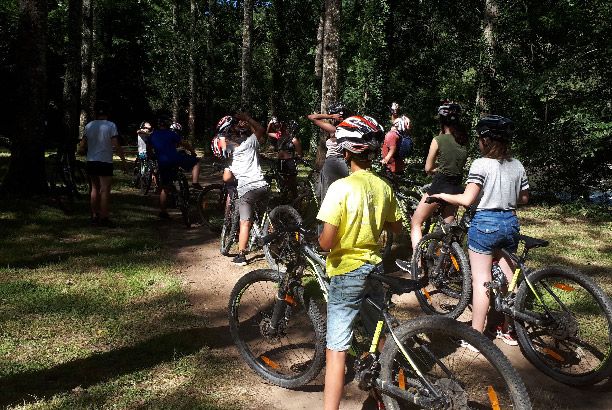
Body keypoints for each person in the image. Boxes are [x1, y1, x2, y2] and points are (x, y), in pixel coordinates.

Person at [316, 115, 403, 410]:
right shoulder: (382, 186)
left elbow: (326, 243)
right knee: (377, 328)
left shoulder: (340, 188)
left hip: (347, 272)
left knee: (337, 349)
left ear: (346, 152)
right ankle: (388, 387)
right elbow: (397, 227)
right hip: (374, 269)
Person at [429, 115, 529, 348]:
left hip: (485, 223)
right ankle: (508, 331)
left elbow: (466, 199)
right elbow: (523, 198)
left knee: (481, 280)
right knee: (506, 279)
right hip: (510, 222)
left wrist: (442, 195)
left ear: (486, 139)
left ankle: (476, 337)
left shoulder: (480, 164)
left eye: (479, 139)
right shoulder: (517, 165)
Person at [396, 103, 469, 271]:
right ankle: (443, 268)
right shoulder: (464, 140)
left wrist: (437, 167)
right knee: (446, 232)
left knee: (416, 222)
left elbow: (428, 168)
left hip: (439, 187)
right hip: (456, 190)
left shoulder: (438, 140)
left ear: (441, 121)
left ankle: (417, 264)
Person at [223, 111, 268, 266]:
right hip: (262, 185)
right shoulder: (250, 145)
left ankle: (242, 255)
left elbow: (227, 178)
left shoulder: (231, 158)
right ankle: (275, 241)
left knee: (244, 222)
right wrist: (247, 119)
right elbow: (261, 130)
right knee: (266, 214)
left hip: (247, 191)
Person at [80, 100, 128, 227]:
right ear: (108, 113)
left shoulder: (89, 126)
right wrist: (123, 161)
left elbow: (82, 144)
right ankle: (104, 217)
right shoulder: (111, 126)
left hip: (91, 160)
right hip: (105, 160)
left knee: (94, 189)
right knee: (105, 190)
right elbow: (116, 146)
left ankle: (94, 214)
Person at [147, 116, 201, 220]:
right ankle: (195, 183)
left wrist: (154, 156)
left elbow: (149, 150)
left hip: (162, 162)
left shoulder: (153, 135)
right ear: (168, 125)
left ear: (158, 125)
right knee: (196, 162)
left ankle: (163, 213)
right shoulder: (171, 134)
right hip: (176, 159)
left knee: (164, 188)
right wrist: (193, 152)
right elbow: (184, 144)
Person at [307, 102, 350, 202]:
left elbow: (311, 117)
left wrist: (328, 116)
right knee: (341, 195)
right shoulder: (347, 129)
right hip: (342, 164)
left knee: (328, 196)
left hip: (332, 164)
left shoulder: (334, 129)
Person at [267, 118, 303, 198]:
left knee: (292, 183)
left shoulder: (294, 140)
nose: (280, 129)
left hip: (290, 162)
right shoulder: (279, 136)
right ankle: (283, 200)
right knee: (282, 182)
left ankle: (295, 200)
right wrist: (270, 123)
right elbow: (268, 133)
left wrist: (295, 159)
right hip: (281, 162)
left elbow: (300, 153)